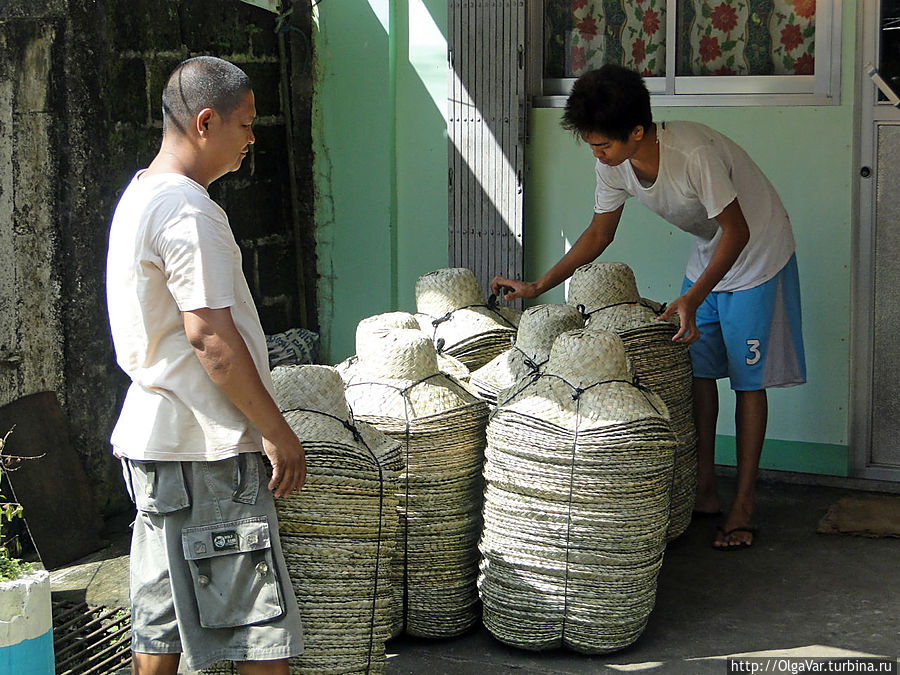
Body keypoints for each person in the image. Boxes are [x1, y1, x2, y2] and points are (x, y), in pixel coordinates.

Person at [491, 64, 806, 551]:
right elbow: (599, 234)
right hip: (712, 249)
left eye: (605, 145)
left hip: (757, 252)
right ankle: (704, 486)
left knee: (748, 382)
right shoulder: (613, 164)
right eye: (591, 145)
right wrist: (538, 285)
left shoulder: (692, 154)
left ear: (638, 131)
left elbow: (739, 231)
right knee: (697, 370)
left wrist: (693, 296)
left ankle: (743, 504)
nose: (597, 154)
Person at [106, 56, 306, 674]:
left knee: (159, 625)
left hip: (156, 442)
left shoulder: (140, 194)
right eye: (246, 125)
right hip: (207, 451)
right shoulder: (189, 211)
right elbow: (211, 341)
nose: (252, 139)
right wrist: (276, 432)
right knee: (257, 628)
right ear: (205, 121)